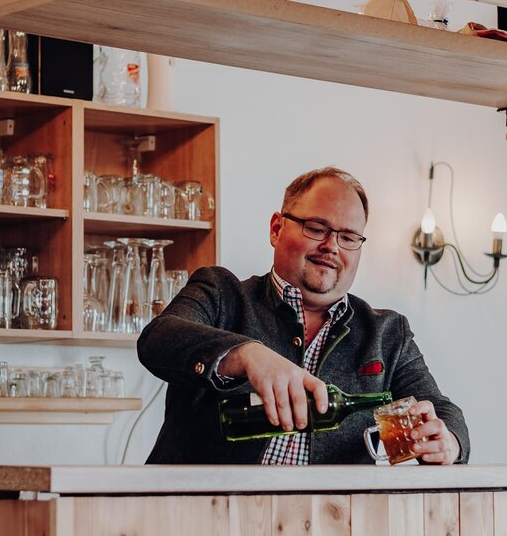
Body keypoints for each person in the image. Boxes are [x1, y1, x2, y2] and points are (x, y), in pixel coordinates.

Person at [138, 166, 469, 465]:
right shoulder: (222, 293)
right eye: (316, 228)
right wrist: (246, 355)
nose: (332, 246)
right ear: (276, 228)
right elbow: (157, 339)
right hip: (201, 516)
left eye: (348, 237)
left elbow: (441, 411)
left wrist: (448, 442)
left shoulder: (387, 332)